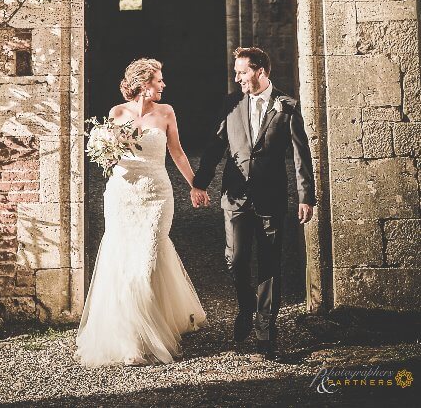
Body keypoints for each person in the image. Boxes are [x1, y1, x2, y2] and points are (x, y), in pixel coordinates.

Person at [76, 58, 206, 367]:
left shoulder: (166, 113)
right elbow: (108, 158)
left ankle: (148, 331)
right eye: (158, 80)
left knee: (146, 259)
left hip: (157, 195)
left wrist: (196, 186)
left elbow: (177, 151)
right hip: (122, 195)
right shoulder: (116, 114)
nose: (163, 85)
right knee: (124, 260)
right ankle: (130, 340)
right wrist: (105, 150)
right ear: (143, 84)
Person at [191, 46, 315, 358]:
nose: (237, 78)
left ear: (260, 71)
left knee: (270, 261)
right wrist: (199, 182)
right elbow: (216, 145)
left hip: (271, 196)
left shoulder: (287, 107)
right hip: (234, 196)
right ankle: (247, 307)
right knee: (236, 259)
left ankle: (265, 327)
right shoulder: (232, 103)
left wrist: (306, 197)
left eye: (242, 72)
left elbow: (301, 156)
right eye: (237, 73)